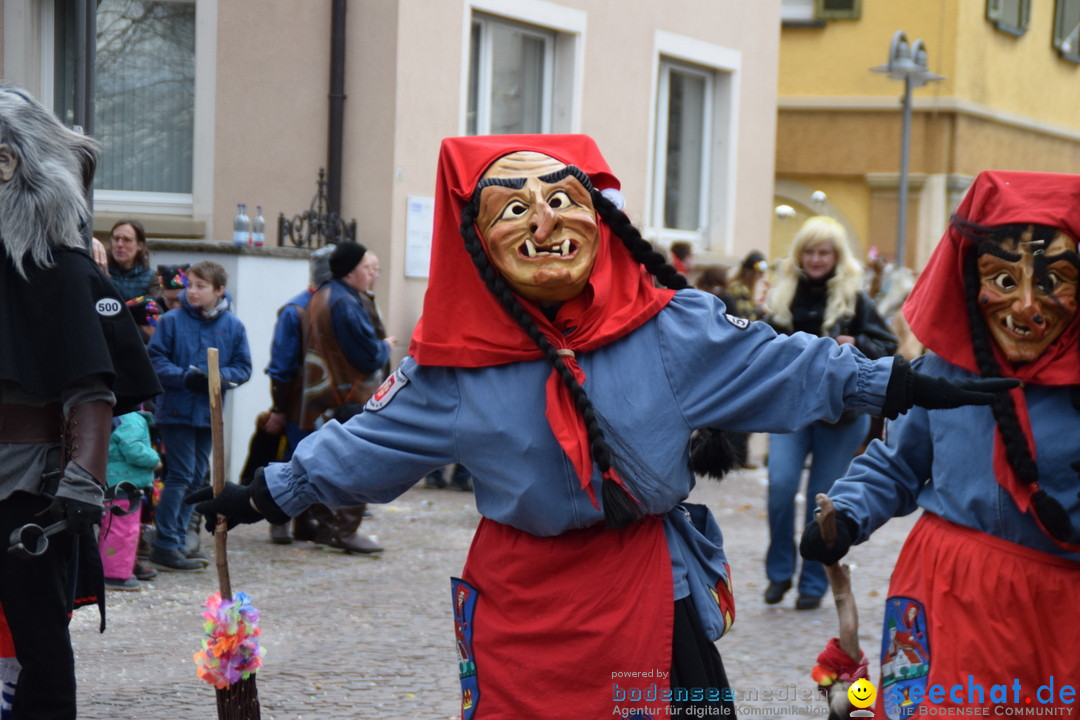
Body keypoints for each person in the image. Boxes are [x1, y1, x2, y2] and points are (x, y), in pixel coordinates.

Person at [190, 134, 1010, 720]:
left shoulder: (668, 328)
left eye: (558, 199)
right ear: (478, 241)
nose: (542, 222)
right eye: (514, 208)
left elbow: (786, 365)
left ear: (597, 217)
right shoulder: (453, 369)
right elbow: (365, 445)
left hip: (652, 589)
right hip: (527, 604)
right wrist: (265, 491)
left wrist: (904, 381)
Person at [801, 170, 1080, 718]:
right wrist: (848, 515)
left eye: (1051, 281)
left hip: (1057, 610)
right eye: (1003, 280)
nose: (1025, 306)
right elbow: (898, 464)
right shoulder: (943, 370)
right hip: (944, 593)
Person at [0, 82, 160, 718]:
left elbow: (91, 385)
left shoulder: (63, 268)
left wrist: (80, 487)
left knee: (39, 640)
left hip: (30, 488)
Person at [761, 216, 898, 610]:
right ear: (799, 254)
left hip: (840, 416)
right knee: (781, 486)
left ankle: (813, 583)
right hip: (789, 411)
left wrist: (856, 340)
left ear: (837, 257)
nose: (816, 259)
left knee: (825, 503)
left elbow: (888, 346)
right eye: (809, 251)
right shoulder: (783, 295)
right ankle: (779, 573)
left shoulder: (855, 298)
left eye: (824, 252)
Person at [290, 241, 395, 554]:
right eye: (367, 268)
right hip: (346, 395)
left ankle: (320, 524)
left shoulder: (324, 294)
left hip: (323, 394)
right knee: (360, 462)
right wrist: (386, 345)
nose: (372, 275)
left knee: (325, 460)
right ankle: (344, 530)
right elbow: (368, 355)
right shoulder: (346, 302)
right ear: (351, 271)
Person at [146, 260, 251, 571]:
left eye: (200, 286)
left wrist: (215, 377)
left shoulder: (232, 326)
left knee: (195, 478)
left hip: (209, 413)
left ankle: (180, 540)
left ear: (219, 291)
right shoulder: (172, 320)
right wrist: (184, 377)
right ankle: (166, 544)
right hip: (176, 409)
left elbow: (243, 367)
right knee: (178, 476)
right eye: (189, 284)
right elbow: (155, 359)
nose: (191, 291)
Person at [261, 246, 334, 544]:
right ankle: (279, 518)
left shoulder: (340, 307)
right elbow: (282, 366)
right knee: (294, 461)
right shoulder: (295, 311)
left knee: (323, 460)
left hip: (329, 402)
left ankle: (307, 521)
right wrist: (279, 408)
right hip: (300, 404)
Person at [99, 409, 160, 591]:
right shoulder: (130, 418)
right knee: (123, 530)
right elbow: (134, 451)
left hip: (114, 481)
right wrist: (155, 459)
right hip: (125, 483)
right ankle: (114, 574)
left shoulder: (114, 414)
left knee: (113, 527)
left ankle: (119, 568)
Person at [106, 219, 160, 301]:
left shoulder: (150, 278)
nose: (119, 245)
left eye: (127, 240)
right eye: (116, 239)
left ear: (140, 245)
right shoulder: (100, 272)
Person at [728, 250, 769, 322]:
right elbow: (747, 319)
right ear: (751, 274)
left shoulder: (738, 286)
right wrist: (761, 312)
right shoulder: (738, 288)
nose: (761, 276)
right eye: (759, 274)